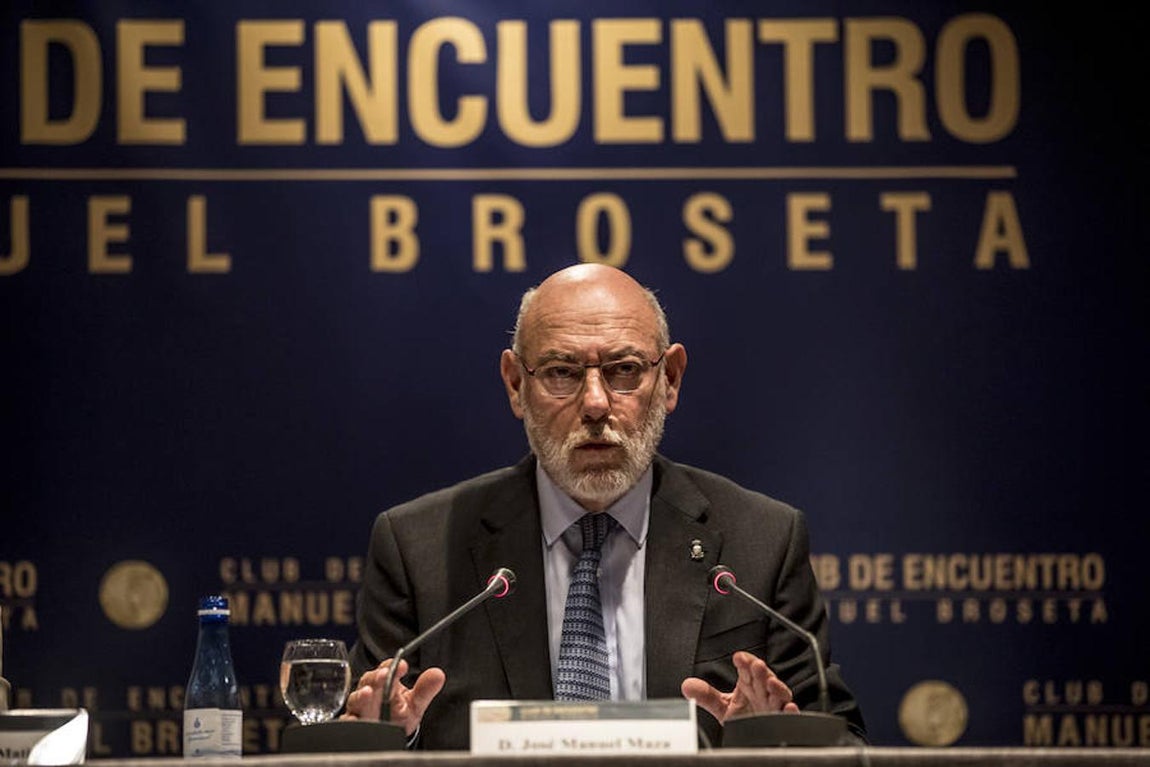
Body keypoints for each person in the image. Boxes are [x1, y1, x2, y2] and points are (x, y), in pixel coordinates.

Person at [344, 263, 866, 748]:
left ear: (671, 379)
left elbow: (847, 745)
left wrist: (776, 746)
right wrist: (385, 741)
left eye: (624, 369)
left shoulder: (762, 541)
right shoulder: (420, 549)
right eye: (561, 372)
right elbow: (359, 741)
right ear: (515, 385)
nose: (595, 403)